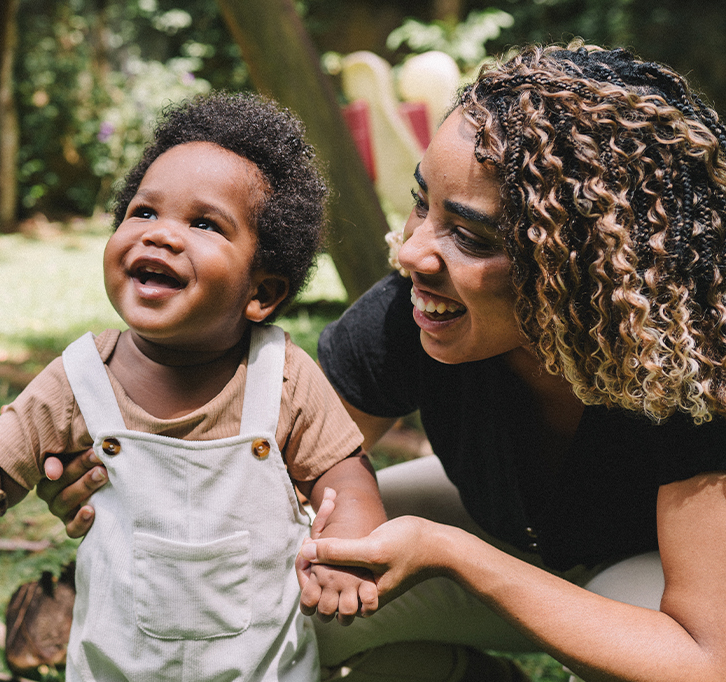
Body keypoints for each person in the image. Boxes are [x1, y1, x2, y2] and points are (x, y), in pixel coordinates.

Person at [42, 45, 726, 682]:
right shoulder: (410, 312)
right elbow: (253, 468)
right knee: (272, 582)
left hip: (657, 584)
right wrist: (129, 476)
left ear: (579, 267)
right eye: (420, 203)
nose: (412, 253)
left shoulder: (693, 367)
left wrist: (455, 555)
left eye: (468, 235)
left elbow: (703, 657)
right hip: (514, 526)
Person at [0, 91, 387, 682]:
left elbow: (345, 472)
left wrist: (350, 546)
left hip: (263, 669)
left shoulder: (282, 376)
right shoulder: (80, 378)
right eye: (144, 212)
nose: (160, 235)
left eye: (204, 223)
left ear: (261, 292)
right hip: (117, 667)